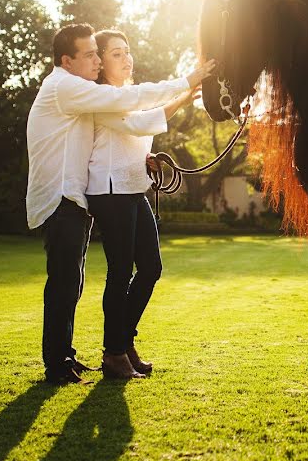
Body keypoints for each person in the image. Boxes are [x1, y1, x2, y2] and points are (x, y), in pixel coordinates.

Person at [26, 23, 215, 385]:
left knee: (94, 278)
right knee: (73, 281)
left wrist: (145, 158)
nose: (100, 60)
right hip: (74, 194)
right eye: (96, 54)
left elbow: (133, 128)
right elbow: (136, 119)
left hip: (85, 193)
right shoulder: (76, 90)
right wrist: (186, 82)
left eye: (106, 54)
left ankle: (104, 348)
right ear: (67, 60)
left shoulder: (84, 93)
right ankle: (95, 355)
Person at [86, 29, 196, 379]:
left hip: (133, 188)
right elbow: (136, 124)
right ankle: (114, 354)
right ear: (101, 61)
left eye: (127, 51)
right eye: (116, 53)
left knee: (150, 269)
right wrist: (184, 94)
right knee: (120, 274)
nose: (126, 57)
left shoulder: (123, 95)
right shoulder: (100, 95)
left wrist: (145, 157)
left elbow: (132, 135)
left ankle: (123, 343)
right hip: (109, 191)